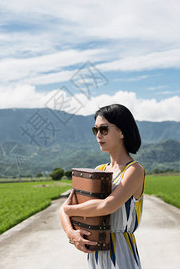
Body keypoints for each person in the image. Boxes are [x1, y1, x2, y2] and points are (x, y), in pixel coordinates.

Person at [59, 104, 145, 269]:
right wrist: (71, 233)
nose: (98, 135)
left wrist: (68, 210)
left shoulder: (134, 170)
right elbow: (65, 208)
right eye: (95, 130)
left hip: (121, 253)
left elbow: (106, 206)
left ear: (122, 131)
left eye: (104, 129)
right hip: (96, 254)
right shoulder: (99, 171)